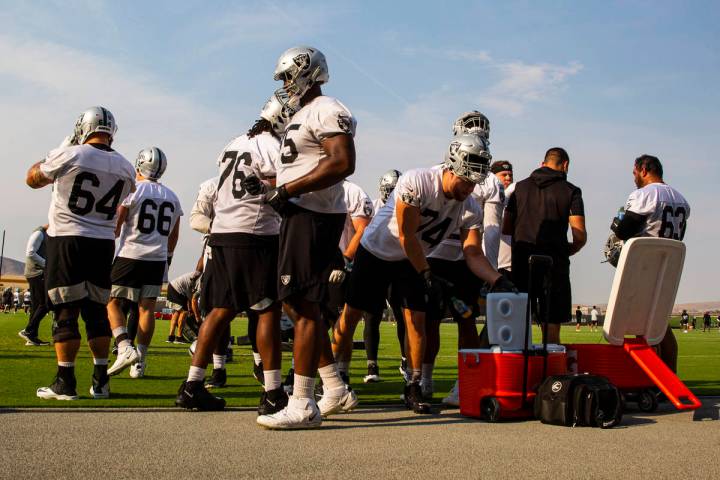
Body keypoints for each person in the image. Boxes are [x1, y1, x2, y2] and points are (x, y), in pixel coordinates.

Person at [334, 133, 515, 414]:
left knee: (416, 320)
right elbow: (406, 235)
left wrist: (497, 279)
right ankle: (336, 377)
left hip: (410, 260)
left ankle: (414, 385)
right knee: (351, 316)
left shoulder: (468, 207)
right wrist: (428, 274)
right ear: (452, 167)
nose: (469, 189)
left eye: (474, 183)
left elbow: (472, 252)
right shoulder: (417, 181)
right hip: (378, 251)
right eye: (466, 181)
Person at [256, 46, 357, 430]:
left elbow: (342, 162)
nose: (284, 85)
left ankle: (302, 402)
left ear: (305, 72)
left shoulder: (329, 108)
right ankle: (333, 386)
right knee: (297, 305)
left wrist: (287, 190)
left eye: (286, 76)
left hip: (315, 216)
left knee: (303, 303)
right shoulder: (300, 116)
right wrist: (277, 189)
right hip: (299, 213)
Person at [176, 92, 294, 415]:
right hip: (254, 235)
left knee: (219, 310)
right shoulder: (272, 145)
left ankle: (193, 384)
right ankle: (273, 392)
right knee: (268, 310)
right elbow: (284, 180)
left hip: (222, 234)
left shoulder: (232, 143)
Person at [26, 106, 136, 400]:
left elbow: (33, 178)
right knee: (96, 312)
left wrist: (52, 155)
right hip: (102, 242)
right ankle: (101, 381)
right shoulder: (126, 166)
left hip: (68, 240)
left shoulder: (71, 153)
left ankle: (65, 381)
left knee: (66, 312)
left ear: (83, 127)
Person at [106, 147, 183, 379]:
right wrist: (166, 258)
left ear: (139, 164)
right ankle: (140, 361)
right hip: (157, 258)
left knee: (111, 302)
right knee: (146, 309)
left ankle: (123, 347)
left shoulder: (134, 190)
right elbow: (174, 236)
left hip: (131, 253)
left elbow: (117, 226)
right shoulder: (173, 196)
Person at [611, 154, 689, 371]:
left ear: (643, 170)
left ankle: (649, 380)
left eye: (635, 173)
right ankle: (668, 378)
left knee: (642, 328)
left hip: (646, 266)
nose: (634, 178)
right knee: (660, 327)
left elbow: (624, 229)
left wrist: (616, 223)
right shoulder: (681, 199)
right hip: (668, 268)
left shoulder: (644, 195)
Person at [503, 147, 586, 344]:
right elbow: (579, 234)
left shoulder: (519, 188)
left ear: (543, 164)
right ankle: (549, 372)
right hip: (554, 264)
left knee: (519, 324)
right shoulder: (571, 191)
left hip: (523, 264)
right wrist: (567, 250)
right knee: (552, 326)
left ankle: (521, 370)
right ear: (565, 165)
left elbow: (506, 227)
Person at [364, 169, 407, 383]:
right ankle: (372, 365)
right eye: (388, 190)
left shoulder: (406, 206)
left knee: (402, 315)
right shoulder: (371, 206)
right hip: (374, 264)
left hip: (398, 264)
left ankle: (405, 359)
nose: (390, 195)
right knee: (371, 316)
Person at [18, 225, 51, 345]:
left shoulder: (45, 234)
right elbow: (30, 252)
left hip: (37, 272)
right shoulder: (39, 233)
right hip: (36, 273)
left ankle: (31, 337)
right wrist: (47, 264)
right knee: (46, 303)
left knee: (37, 305)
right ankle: (28, 331)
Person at [494, 160, 514, 278]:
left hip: (513, 264)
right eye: (503, 175)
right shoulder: (485, 200)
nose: (508, 178)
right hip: (496, 264)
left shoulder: (515, 199)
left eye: (510, 175)